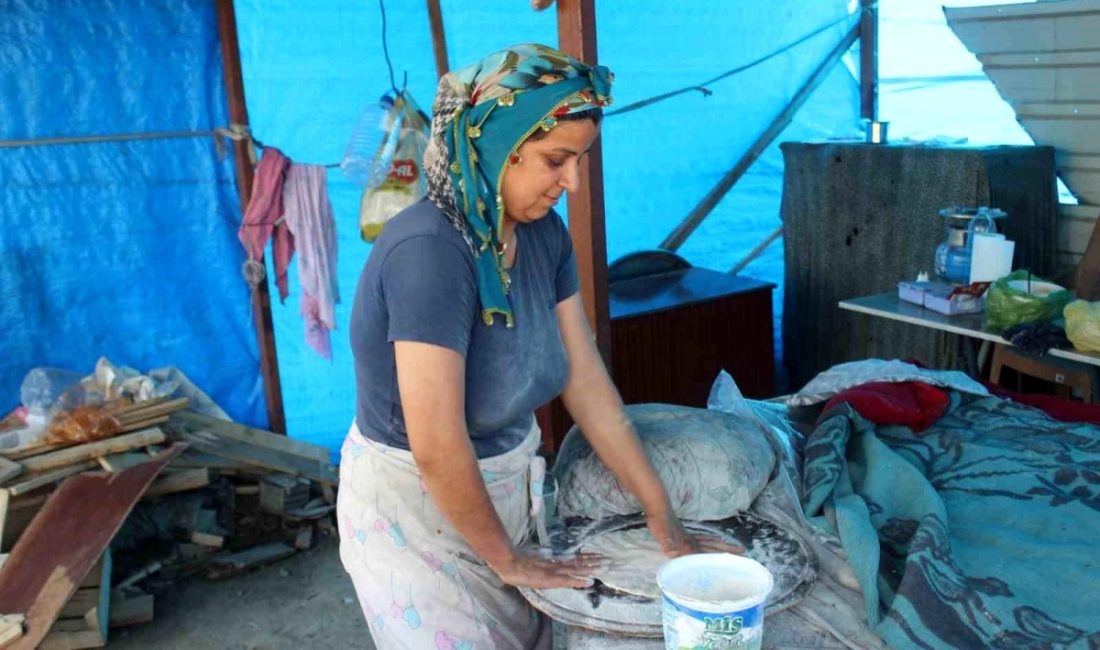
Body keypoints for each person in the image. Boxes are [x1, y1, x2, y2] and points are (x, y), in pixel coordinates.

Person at [337, 43, 728, 649]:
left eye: (580, 161)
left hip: (505, 488)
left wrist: (662, 515)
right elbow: (438, 446)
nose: (571, 183)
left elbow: (587, 383)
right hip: (416, 510)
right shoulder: (430, 255)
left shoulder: (542, 237)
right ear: (495, 146)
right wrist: (508, 560)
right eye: (555, 160)